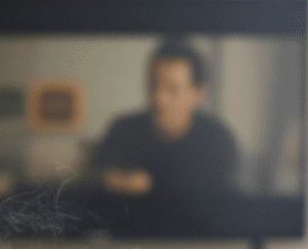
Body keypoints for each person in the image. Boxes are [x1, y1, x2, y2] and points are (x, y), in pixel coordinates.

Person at [90, 40, 239, 197]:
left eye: (172, 89)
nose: (158, 98)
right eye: (153, 84)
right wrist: (113, 181)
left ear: (199, 93)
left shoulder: (219, 143)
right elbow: (92, 179)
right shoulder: (122, 130)